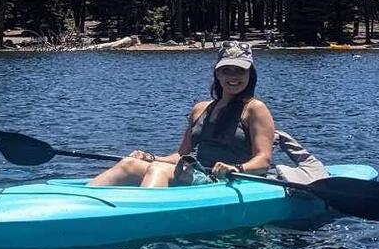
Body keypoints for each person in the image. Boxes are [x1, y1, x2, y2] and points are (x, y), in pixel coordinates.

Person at [89, 40, 275, 188]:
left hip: (227, 181)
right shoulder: (201, 108)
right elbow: (181, 155)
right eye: (227, 71)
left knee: (159, 170)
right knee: (129, 163)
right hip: (197, 173)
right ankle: (79, 202)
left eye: (240, 71)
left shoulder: (255, 108)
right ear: (217, 74)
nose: (233, 77)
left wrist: (236, 168)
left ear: (250, 74)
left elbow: (263, 160)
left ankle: (141, 216)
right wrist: (151, 157)